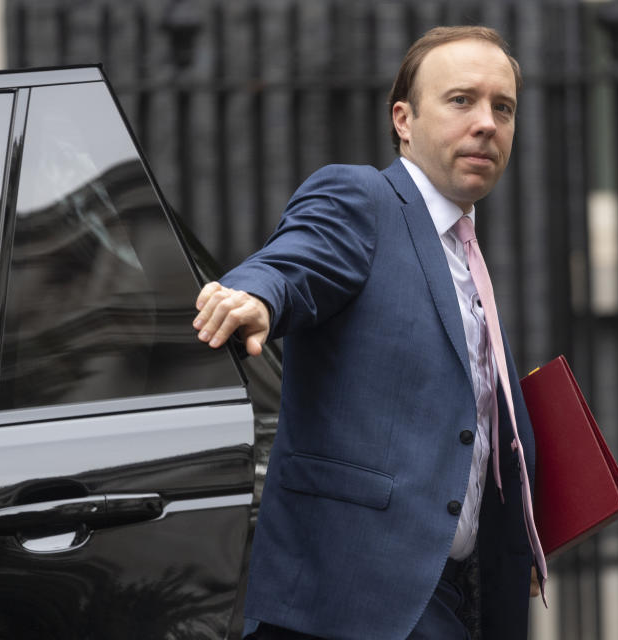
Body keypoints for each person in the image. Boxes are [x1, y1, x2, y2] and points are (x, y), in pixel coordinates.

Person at [193, 25, 541, 640]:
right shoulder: (363, 199)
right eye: (461, 100)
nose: (487, 122)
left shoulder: (466, 253)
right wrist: (257, 296)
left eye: (503, 107)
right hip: (359, 603)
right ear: (403, 120)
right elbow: (298, 260)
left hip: (462, 598)